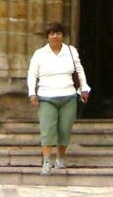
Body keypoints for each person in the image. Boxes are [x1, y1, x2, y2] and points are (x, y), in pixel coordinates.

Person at [27, 22, 90, 174]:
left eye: (59, 33)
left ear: (63, 35)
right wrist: (32, 92)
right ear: (47, 36)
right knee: (47, 129)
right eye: (52, 33)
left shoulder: (70, 51)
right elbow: (32, 74)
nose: (55, 36)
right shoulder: (40, 54)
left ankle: (60, 158)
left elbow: (79, 71)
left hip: (68, 95)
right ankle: (47, 161)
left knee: (65, 129)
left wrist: (84, 88)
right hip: (47, 96)